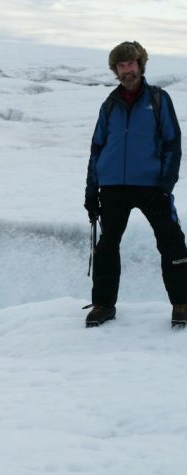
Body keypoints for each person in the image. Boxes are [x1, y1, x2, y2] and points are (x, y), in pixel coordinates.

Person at [84, 41, 187, 328]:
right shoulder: (109, 105)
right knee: (106, 247)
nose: (126, 70)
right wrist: (92, 190)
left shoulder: (158, 99)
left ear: (140, 65)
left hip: (153, 186)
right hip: (114, 186)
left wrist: (165, 183)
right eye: (121, 65)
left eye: (131, 64)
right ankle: (103, 305)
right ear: (115, 70)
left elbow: (172, 143)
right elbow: (97, 148)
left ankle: (182, 302)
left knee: (172, 243)